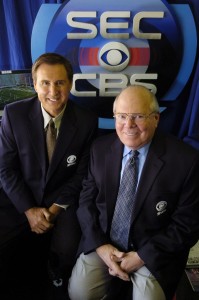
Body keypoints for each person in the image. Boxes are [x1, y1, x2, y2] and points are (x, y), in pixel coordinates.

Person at [68, 85, 199, 300]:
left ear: (156, 119)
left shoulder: (186, 161)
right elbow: (86, 202)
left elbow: (187, 224)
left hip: (153, 249)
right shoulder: (99, 149)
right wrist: (100, 246)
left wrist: (141, 256)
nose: (128, 125)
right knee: (79, 293)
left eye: (138, 116)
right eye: (122, 116)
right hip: (105, 242)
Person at [0, 53, 98, 298]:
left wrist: (53, 210)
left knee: (65, 252)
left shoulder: (86, 121)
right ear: (34, 84)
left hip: (62, 202)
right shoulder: (14, 115)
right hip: (20, 199)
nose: (53, 91)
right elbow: (5, 168)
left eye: (60, 83)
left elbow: (83, 175)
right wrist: (29, 210)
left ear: (70, 84)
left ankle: (55, 283)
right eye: (45, 83)